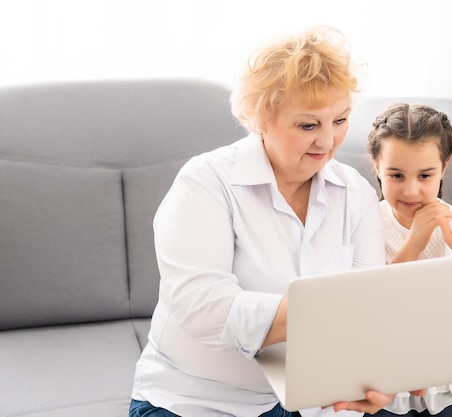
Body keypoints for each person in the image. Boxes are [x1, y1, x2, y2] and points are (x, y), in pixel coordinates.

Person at [129, 26, 423, 417]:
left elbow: (364, 309)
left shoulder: (355, 194)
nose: (327, 141)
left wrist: (371, 377)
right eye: (308, 125)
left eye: (340, 120)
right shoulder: (206, 182)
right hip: (198, 401)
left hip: (312, 398)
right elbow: (206, 311)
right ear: (261, 119)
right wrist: (330, 310)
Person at [367, 103, 452, 417]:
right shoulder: (367, 225)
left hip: (448, 383)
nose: (411, 190)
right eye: (396, 175)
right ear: (377, 166)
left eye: (425, 175)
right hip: (387, 381)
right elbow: (372, 313)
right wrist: (415, 242)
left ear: (444, 167)